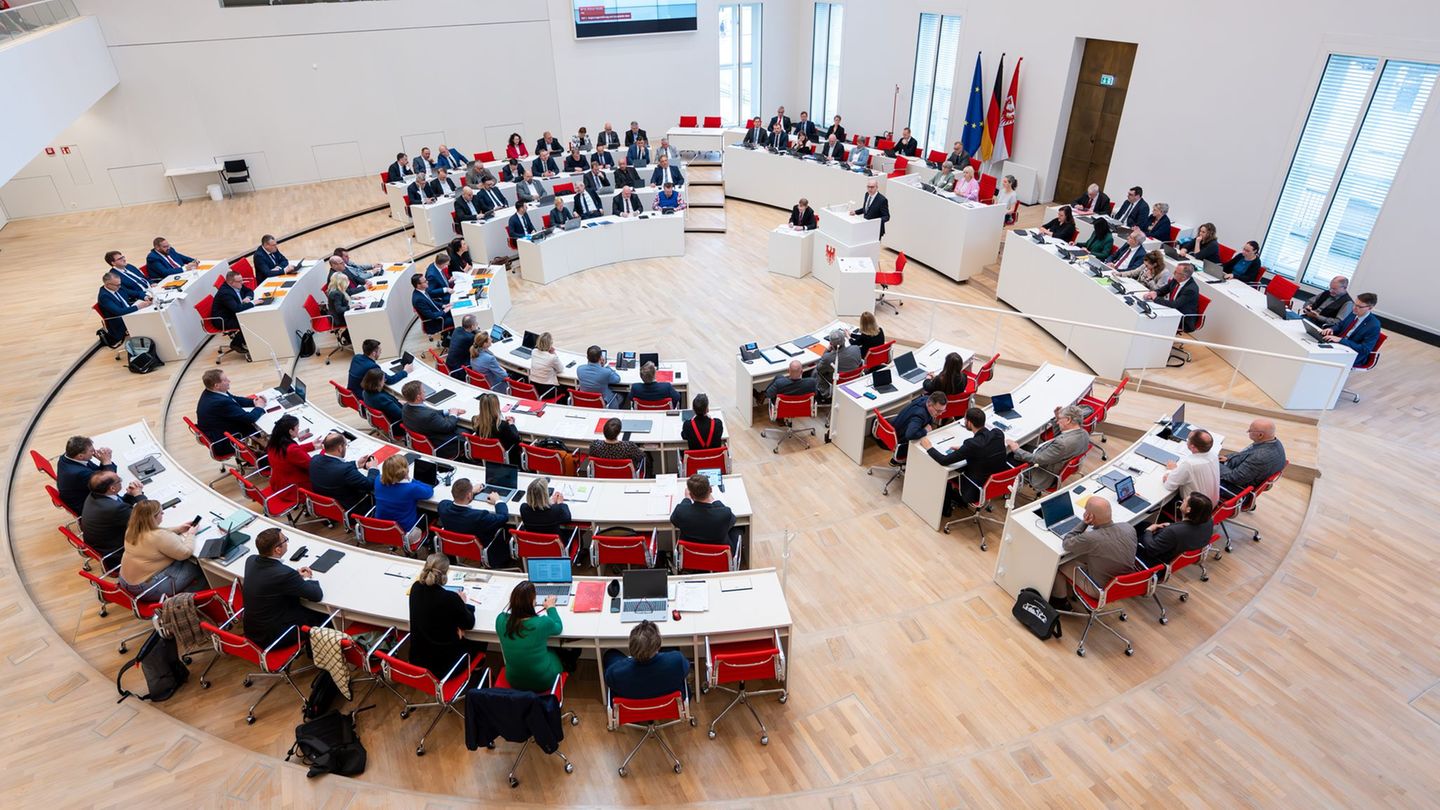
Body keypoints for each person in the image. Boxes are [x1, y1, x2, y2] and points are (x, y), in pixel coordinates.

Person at [242, 527, 326, 648]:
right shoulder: (284, 574)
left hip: (253, 631)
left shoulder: (250, 560)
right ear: (277, 550)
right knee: (324, 615)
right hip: (274, 636)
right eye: (285, 540)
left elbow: (270, 579)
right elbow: (317, 595)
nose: (286, 542)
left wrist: (295, 577)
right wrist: (307, 578)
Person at [1050, 496, 1138, 607]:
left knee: (1059, 563)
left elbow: (1067, 543)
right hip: (1122, 584)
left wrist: (1084, 523)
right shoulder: (1129, 528)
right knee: (1083, 554)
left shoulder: (1092, 538)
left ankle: (1060, 602)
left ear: (1090, 516)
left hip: (1100, 589)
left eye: (1085, 510)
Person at [409, 553, 486, 678]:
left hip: (418, 660)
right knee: (480, 641)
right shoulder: (450, 598)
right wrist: (463, 603)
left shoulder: (415, 588)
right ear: (445, 574)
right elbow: (469, 623)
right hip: (444, 666)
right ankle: (476, 672)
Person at [918, 407, 1008, 507]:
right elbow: (987, 448)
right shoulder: (998, 433)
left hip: (975, 488)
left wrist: (929, 447)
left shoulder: (972, 444)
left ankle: (945, 507)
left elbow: (944, 460)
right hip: (996, 484)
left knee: (944, 472)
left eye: (965, 420)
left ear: (969, 423)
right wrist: (964, 449)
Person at [496, 580, 573, 692]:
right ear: (533, 602)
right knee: (555, 651)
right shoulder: (541, 623)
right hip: (542, 681)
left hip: (514, 681)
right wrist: (551, 607)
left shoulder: (500, 620)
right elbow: (558, 627)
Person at [118, 500, 203, 599]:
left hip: (125, 582)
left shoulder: (132, 529)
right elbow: (185, 553)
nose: (163, 513)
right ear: (152, 518)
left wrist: (179, 529)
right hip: (146, 590)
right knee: (198, 565)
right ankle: (186, 599)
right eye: (160, 512)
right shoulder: (159, 537)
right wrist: (191, 534)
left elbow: (154, 532)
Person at [1007, 405, 1089, 492]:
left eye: (1060, 419)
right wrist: (1058, 417)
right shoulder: (1084, 434)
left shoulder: (1062, 444)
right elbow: (1061, 437)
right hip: (1050, 460)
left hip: (1041, 472)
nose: (1057, 422)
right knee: (1023, 446)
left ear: (1068, 420)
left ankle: (1004, 486)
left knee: (1008, 454)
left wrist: (1016, 449)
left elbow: (1036, 459)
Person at [604, 620, 691, 701]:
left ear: (631, 647)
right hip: (669, 706)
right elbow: (686, 668)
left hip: (634, 711)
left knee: (610, 654)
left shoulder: (616, 673)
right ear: (658, 645)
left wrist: (626, 662)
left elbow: (608, 679)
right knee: (671, 648)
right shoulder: (677, 661)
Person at [437, 479, 512, 568]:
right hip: (482, 548)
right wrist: (498, 501)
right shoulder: (479, 516)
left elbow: (452, 502)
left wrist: (470, 492)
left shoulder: (442, 506)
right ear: (468, 496)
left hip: (456, 546)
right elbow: (504, 517)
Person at [196, 368, 265, 454]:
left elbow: (234, 399)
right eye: (225, 380)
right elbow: (249, 418)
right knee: (264, 428)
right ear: (216, 385)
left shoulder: (211, 392)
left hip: (218, 431)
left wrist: (253, 401)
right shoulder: (220, 402)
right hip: (225, 441)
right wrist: (259, 407)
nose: (229, 381)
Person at [82, 471, 145, 564]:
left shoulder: (94, 495)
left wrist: (130, 495)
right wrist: (138, 495)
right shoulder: (112, 508)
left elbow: (120, 506)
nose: (121, 481)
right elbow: (146, 516)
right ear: (112, 488)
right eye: (119, 480)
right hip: (117, 553)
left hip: (104, 544)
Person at [1137, 492, 1214, 568]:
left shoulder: (1173, 531)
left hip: (1153, 558)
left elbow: (1151, 550)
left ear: (1188, 510)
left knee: (1133, 529)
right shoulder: (1208, 521)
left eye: (1185, 501)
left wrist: (1148, 531)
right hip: (1178, 547)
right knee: (1143, 524)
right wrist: (1171, 525)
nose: (1183, 500)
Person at [309, 432, 379, 514]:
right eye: (346, 445)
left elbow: (334, 466)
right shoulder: (345, 470)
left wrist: (356, 464)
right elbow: (370, 484)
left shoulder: (315, 459)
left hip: (331, 507)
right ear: (340, 448)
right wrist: (373, 468)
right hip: (354, 508)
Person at [671, 473, 740, 556]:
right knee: (738, 529)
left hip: (692, 557)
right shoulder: (724, 513)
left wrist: (686, 499)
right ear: (710, 490)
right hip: (719, 557)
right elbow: (732, 521)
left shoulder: (681, 512)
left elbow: (673, 520)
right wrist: (716, 501)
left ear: (691, 494)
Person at [1219, 418, 1287, 496]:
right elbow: (1246, 453)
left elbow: (1235, 478)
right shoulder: (1275, 442)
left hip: (1237, 488)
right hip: (1247, 474)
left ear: (1260, 435)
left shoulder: (1259, 457)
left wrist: (1214, 465)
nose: (1248, 431)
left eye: (1250, 431)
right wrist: (1229, 458)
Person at [374, 455, 434, 542]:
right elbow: (429, 491)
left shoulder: (377, 480)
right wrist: (412, 481)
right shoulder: (411, 488)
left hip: (382, 527)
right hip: (405, 532)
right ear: (405, 471)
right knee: (431, 513)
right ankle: (428, 542)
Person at [401, 380, 465, 459]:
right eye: (422, 391)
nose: (425, 391)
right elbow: (448, 426)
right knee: (467, 432)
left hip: (425, 439)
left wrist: (448, 411)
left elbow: (429, 412)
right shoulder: (428, 416)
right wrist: (453, 414)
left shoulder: (406, 407)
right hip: (442, 445)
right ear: (418, 397)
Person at [58, 435, 116, 518]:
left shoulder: (68, 457)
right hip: (89, 507)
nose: (94, 452)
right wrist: (106, 461)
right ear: (80, 456)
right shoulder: (79, 473)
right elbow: (110, 481)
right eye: (91, 451)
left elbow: (97, 471)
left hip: (82, 493)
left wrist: (104, 461)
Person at [265, 415, 314, 509]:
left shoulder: (273, 444)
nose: (299, 429)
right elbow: (312, 466)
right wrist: (326, 451)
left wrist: (312, 445)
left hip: (279, 485)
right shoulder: (291, 450)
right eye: (297, 427)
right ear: (290, 431)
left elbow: (291, 452)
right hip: (295, 490)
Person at [1161, 429, 1220, 504]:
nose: (1186, 440)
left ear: (1193, 447)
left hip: (1194, 510)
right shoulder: (1213, 454)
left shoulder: (1189, 464)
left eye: (1188, 439)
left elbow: (1169, 486)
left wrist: (1170, 471)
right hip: (1210, 503)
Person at [1321, 292, 1381, 365]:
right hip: (1338, 345)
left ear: (1370, 308)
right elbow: (1340, 325)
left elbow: (1365, 349)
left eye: (1359, 306)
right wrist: (1331, 329)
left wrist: (1341, 340)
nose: (1354, 308)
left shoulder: (1374, 325)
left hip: (1352, 353)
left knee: (1323, 358)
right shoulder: (1354, 313)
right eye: (1355, 304)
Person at [96, 271, 150, 345]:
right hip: (120, 322)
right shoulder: (104, 296)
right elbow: (119, 312)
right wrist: (138, 306)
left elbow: (135, 293)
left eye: (120, 284)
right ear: (107, 284)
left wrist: (145, 297)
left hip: (130, 313)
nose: (120, 286)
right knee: (149, 319)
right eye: (117, 285)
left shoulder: (118, 287)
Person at [1145, 262, 1201, 330]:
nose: (1173, 273)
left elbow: (1174, 304)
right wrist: (1154, 293)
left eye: (1176, 272)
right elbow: (1163, 290)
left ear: (1184, 277)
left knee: (1153, 319)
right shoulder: (1176, 279)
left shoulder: (1191, 289)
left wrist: (1155, 298)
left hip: (1183, 318)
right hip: (1171, 310)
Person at [893, 392, 947, 460]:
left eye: (943, 410)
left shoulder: (926, 399)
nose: (940, 414)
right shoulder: (920, 415)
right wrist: (925, 430)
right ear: (930, 404)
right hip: (900, 440)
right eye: (938, 411)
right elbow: (910, 435)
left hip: (900, 429)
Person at [211, 270, 254, 355]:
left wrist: (248, 297)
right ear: (231, 282)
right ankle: (236, 343)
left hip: (232, 314)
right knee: (249, 321)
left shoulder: (237, 285)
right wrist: (252, 303)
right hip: (224, 320)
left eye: (242, 280)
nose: (242, 282)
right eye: (240, 281)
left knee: (251, 317)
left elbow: (249, 291)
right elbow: (237, 308)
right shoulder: (225, 293)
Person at [473, 393, 522, 465]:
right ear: (496, 406)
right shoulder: (501, 425)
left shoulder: (475, 420)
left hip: (485, 453)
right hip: (505, 456)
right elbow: (516, 438)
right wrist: (511, 424)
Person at [816, 329, 862, 400]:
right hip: (854, 382)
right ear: (844, 340)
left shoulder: (828, 358)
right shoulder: (856, 349)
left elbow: (819, 369)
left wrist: (827, 350)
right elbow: (859, 363)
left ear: (831, 344)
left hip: (836, 386)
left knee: (816, 372)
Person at [410, 273, 453, 338]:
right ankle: (449, 340)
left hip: (439, 313)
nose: (427, 282)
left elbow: (432, 302)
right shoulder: (418, 300)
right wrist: (444, 311)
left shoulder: (422, 290)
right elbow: (431, 316)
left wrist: (443, 305)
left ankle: (450, 335)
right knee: (457, 319)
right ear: (418, 285)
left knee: (455, 311)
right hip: (435, 322)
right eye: (424, 281)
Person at [528, 331, 565, 399]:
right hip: (547, 390)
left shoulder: (534, 352)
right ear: (550, 344)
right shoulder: (552, 357)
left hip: (534, 387)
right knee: (567, 388)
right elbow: (560, 369)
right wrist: (553, 353)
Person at [447, 313, 478, 380]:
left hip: (450, 364)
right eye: (476, 323)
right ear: (472, 326)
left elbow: (472, 333)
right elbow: (479, 347)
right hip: (458, 370)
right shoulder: (470, 338)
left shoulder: (457, 330)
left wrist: (475, 331)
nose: (477, 324)